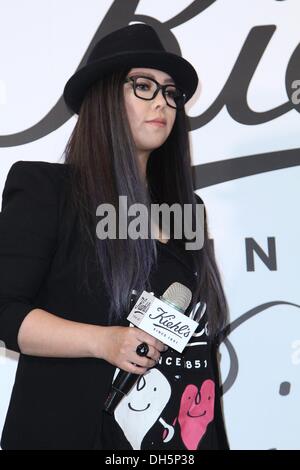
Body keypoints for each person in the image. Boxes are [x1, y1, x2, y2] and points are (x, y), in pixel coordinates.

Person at [0, 24, 229, 450]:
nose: (162, 101)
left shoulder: (187, 209)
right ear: (104, 96)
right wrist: (105, 342)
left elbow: (199, 344)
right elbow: (7, 313)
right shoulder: (46, 190)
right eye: (143, 86)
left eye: (170, 92)